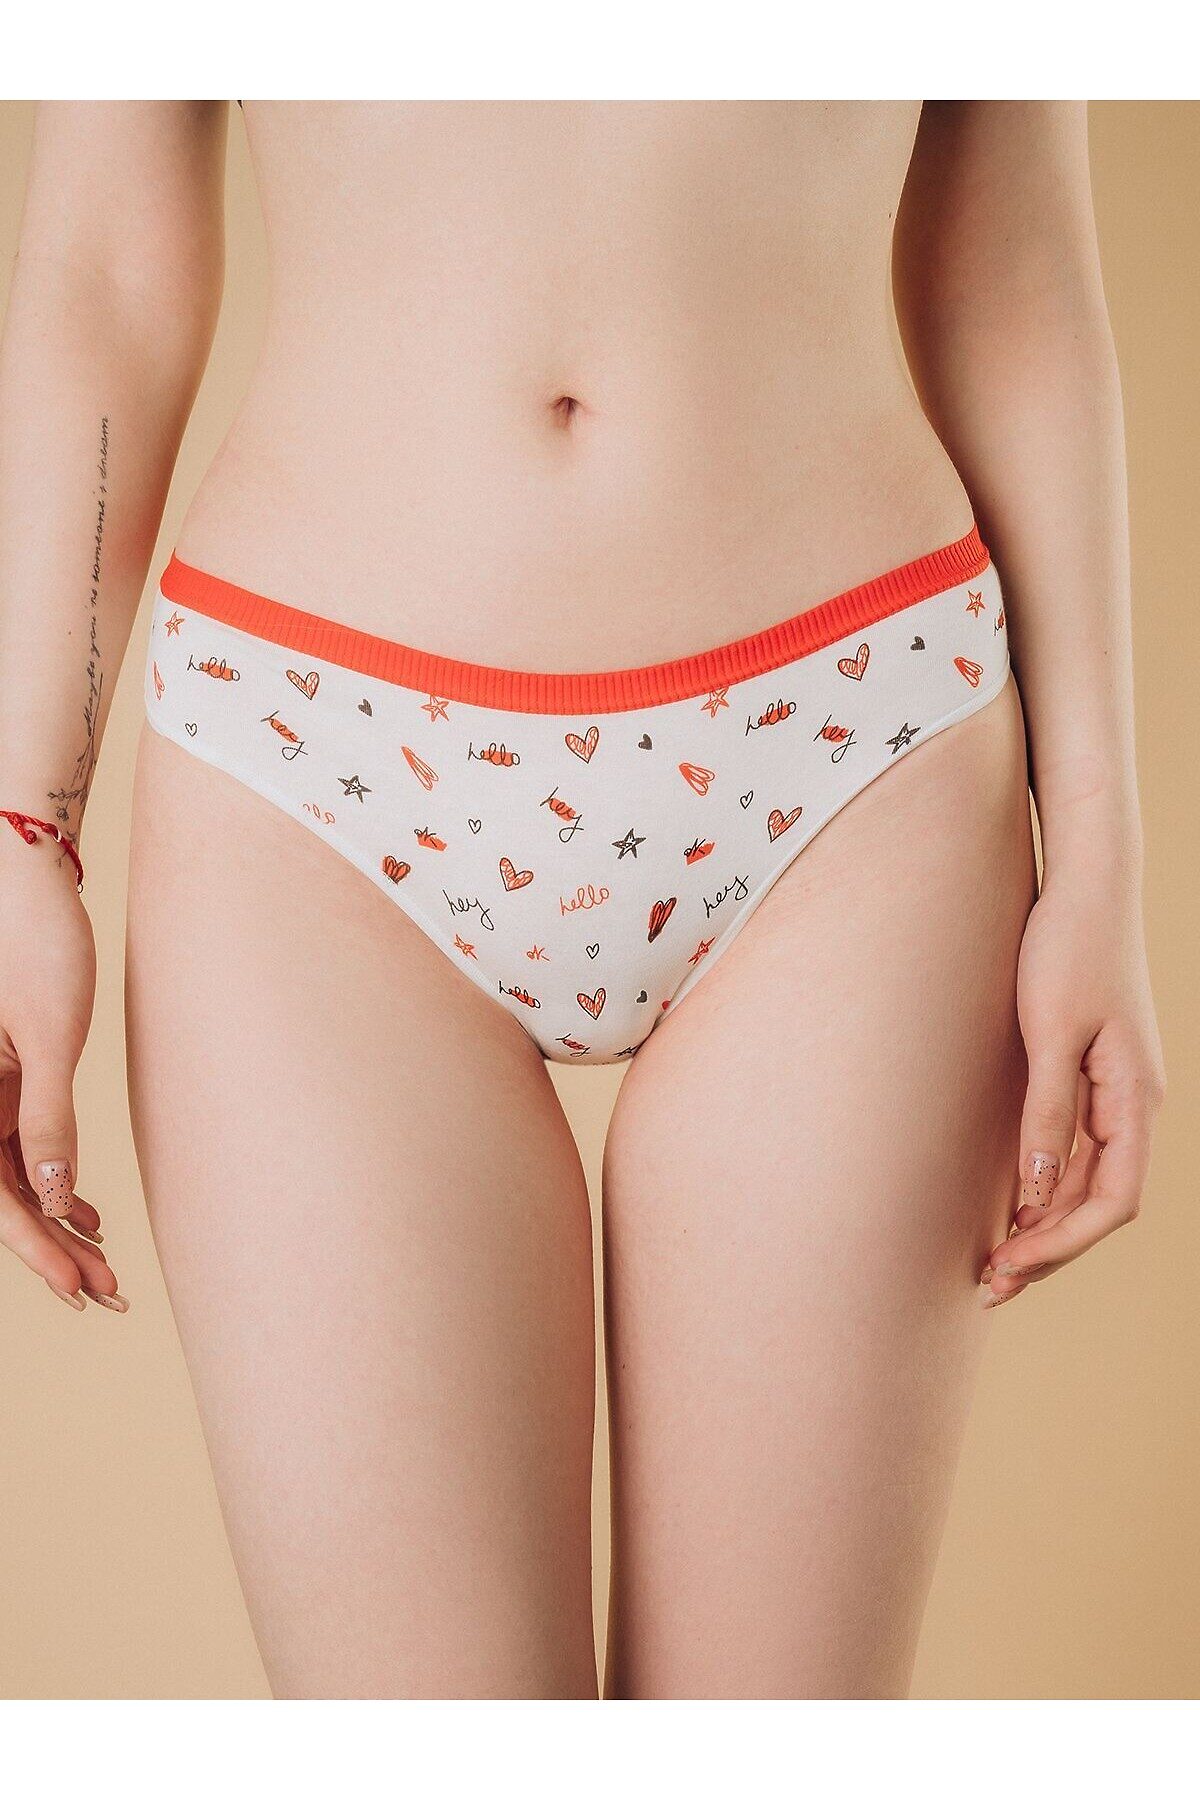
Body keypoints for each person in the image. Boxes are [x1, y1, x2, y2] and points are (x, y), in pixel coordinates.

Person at [0, 101, 1164, 1699]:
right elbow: (104, 264)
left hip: (850, 750)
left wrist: (1096, 840)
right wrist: (22, 830)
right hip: (312, 769)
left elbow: (1011, 261)